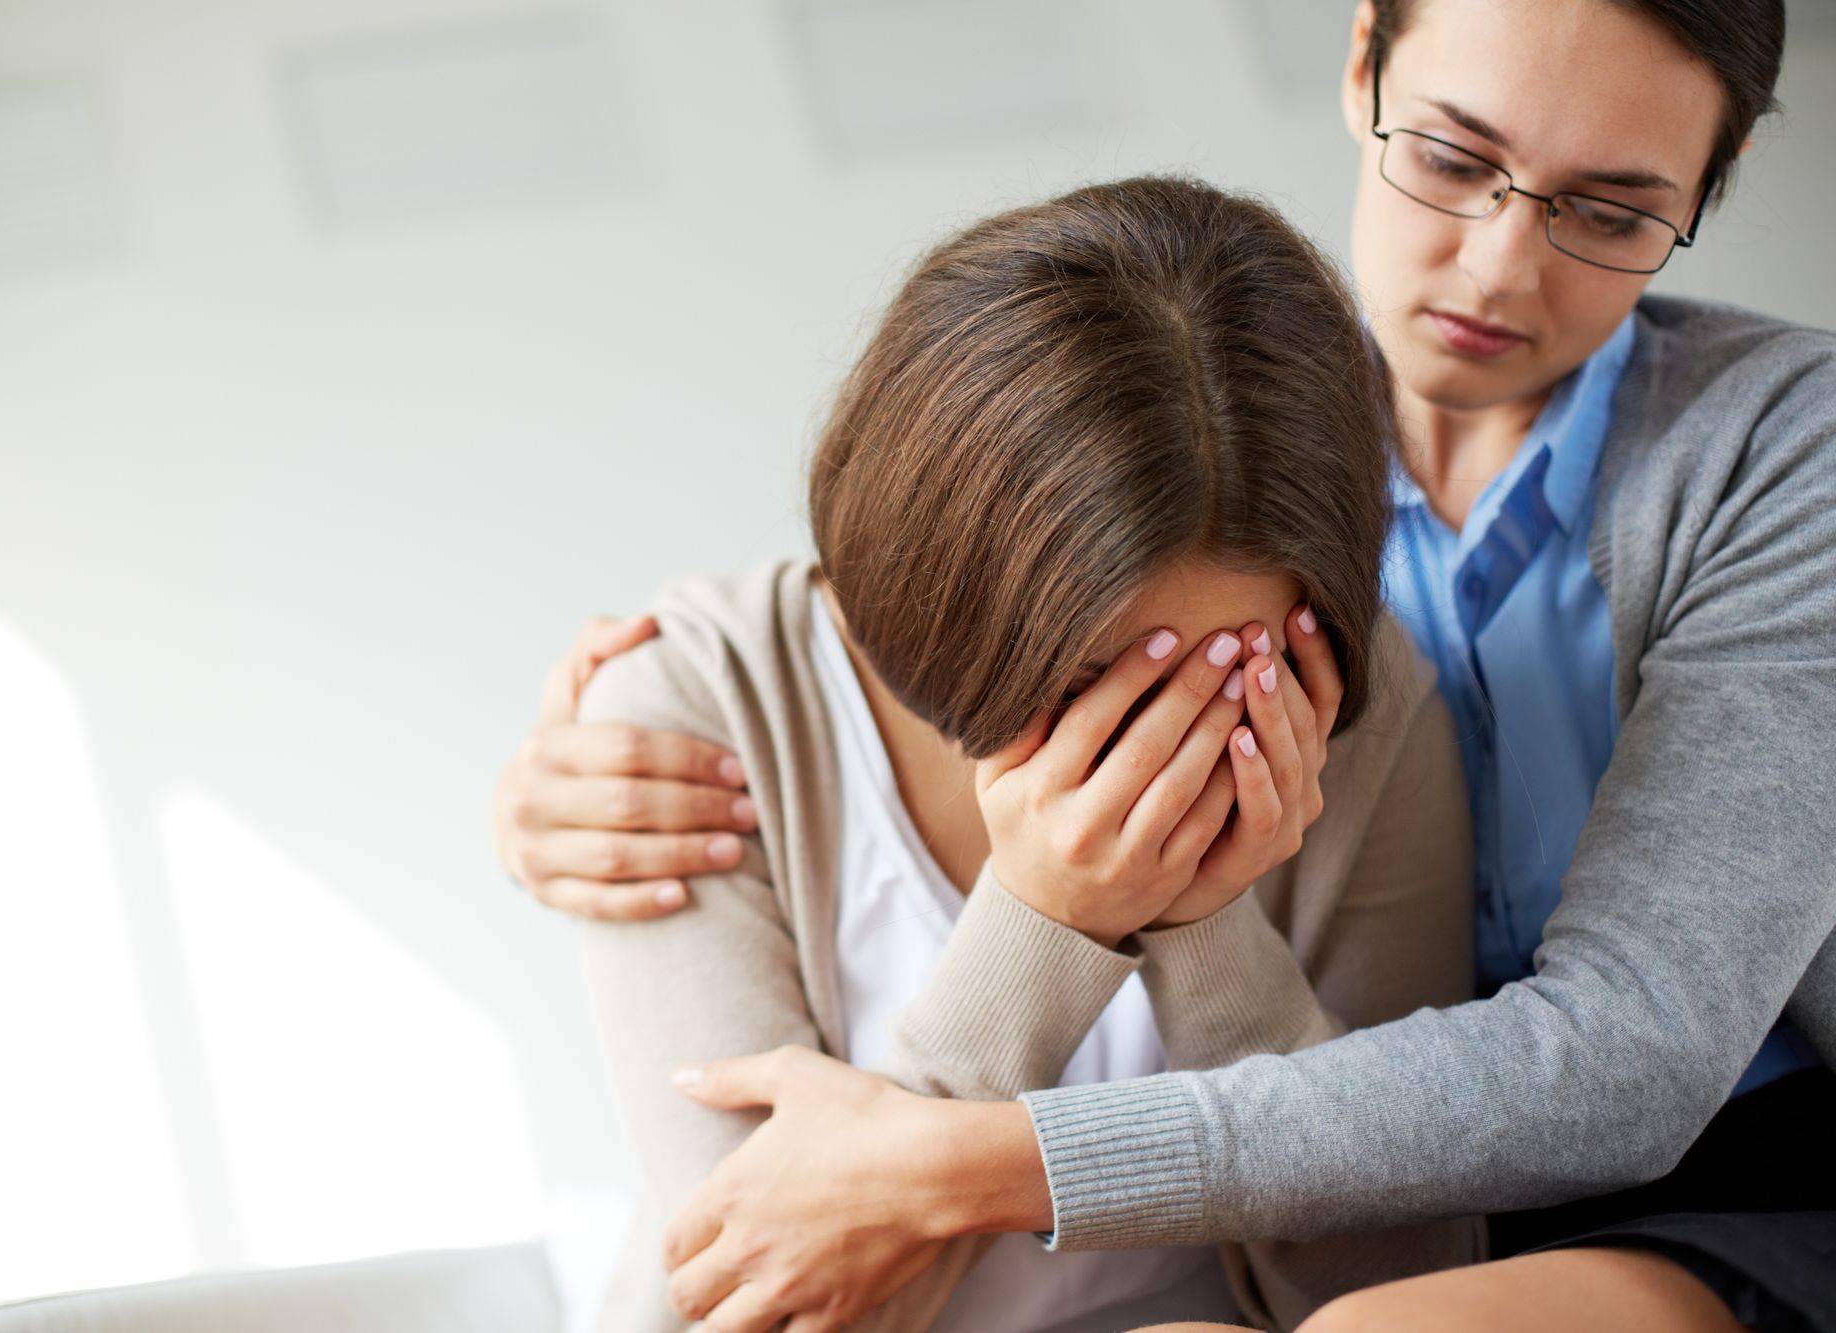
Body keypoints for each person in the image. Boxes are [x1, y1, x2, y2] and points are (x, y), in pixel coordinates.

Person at [501, 0, 1836, 1328]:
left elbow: (1620, 1063)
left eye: (1609, 210)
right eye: (1445, 156)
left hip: (1729, 1159)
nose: (1496, 270)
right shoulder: (1219, 429)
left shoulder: (1742, 470)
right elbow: (756, 1274)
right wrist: (537, 804)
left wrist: (1003, 1096)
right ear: (1363, 62)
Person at [573, 175, 1478, 1333]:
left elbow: (1398, 1294)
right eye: (1102, 685)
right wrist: (1047, 919)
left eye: (1215, 687)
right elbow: (759, 1302)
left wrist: (1200, 919)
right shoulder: (691, 703)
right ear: (950, 585)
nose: (1156, 753)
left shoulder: (1353, 701)